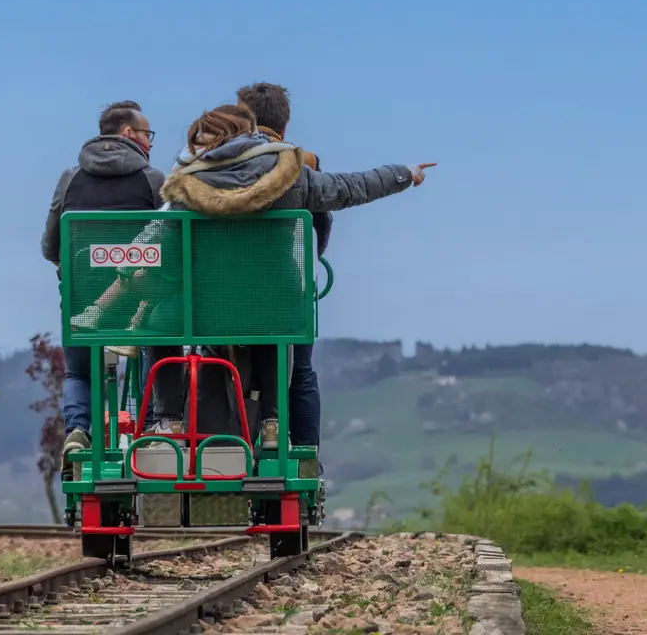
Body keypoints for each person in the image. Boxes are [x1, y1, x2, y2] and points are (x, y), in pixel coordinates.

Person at [149, 104, 434, 447]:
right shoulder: (290, 174)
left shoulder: (187, 185)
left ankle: (168, 420)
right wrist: (403, 173)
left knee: (159, 319)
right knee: (274, 318)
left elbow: (159, 251)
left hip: (206, 311)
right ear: (250, 134)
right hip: (275, 307)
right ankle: (271, 420)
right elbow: (351, 187)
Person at [41, 100, 165, 458]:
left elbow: (51, 246)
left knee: (79, 373)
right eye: (147, 134)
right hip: (140, 300)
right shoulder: (152, 181)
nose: (151, 142)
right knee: (154, 349)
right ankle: (151, 426)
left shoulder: (70, 179)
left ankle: (78, 431)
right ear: (129, 134)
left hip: (83, 300)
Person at [234, 82, 328, 450]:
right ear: (285, 127)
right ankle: (304, 453)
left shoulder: (210, 166)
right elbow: (321, 224)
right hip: (284, 297)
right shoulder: (299, 167)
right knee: (300, 370)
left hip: (220, 299)